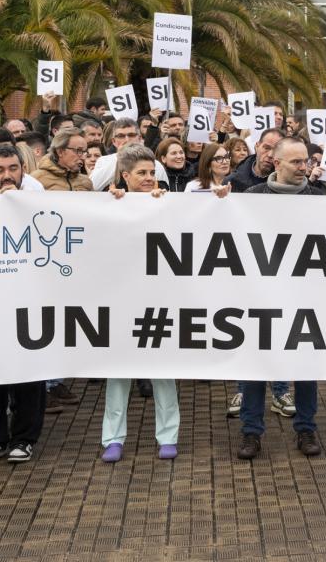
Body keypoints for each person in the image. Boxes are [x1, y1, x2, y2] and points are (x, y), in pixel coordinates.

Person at [236, 138, 326, 461]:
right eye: (296, 163)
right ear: (276, 162)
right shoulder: (251, 198)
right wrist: (220, 203)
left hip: (305, 297)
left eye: (306, 162)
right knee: (257, 365)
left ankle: (306, 427)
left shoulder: (320, 198)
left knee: (305, 364)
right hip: (260, 295)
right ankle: (250, 432)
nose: (304, 168)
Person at [101, 145, 180, 461]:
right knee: (118, 372)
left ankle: (168, 436)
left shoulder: (170, 204)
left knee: (163, 371)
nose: (148, 178)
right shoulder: (109, 205)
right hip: (120, 300)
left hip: (158, 298)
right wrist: (112, 206)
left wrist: (167, 209)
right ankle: (113, 438)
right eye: (142, 173)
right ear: (125, 176)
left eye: (152, 173)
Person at [0, 145, 49, 463]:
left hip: (29, 296)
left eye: (13, 169)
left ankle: (25, 438)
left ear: (22, 168)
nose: (7, 175)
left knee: (29, 372)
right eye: (0, 170)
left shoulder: (38, 194)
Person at [33, 126, 95, 191]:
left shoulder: (86, 182)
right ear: (60, 152)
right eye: (79, 151)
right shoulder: (37, 179)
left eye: (85, 152)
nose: (83, 157)